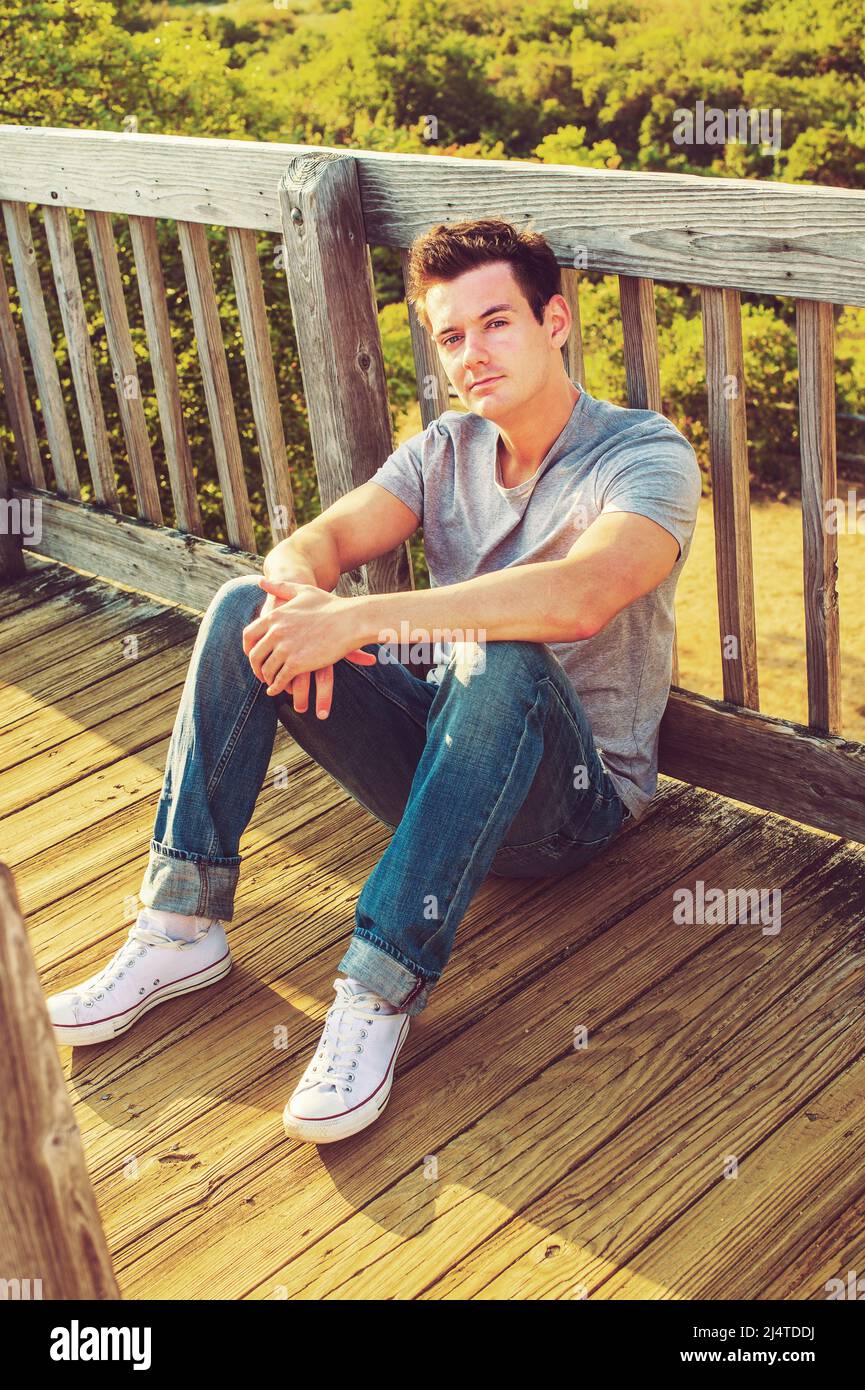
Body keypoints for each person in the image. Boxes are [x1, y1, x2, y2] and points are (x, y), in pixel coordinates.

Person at [45, 218, 701, 1145]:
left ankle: (376, 989)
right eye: (450, 337)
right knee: (243, 606)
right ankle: (181, 924)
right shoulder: (444, 450)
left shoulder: (644, 454)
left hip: (571, 807)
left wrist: (354, 621)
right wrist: (300, 606)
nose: (472, 354)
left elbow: (582, 598)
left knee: (501, 651)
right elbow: (315, 545)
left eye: (496, 322)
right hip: (443, 769)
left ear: (554, 321)